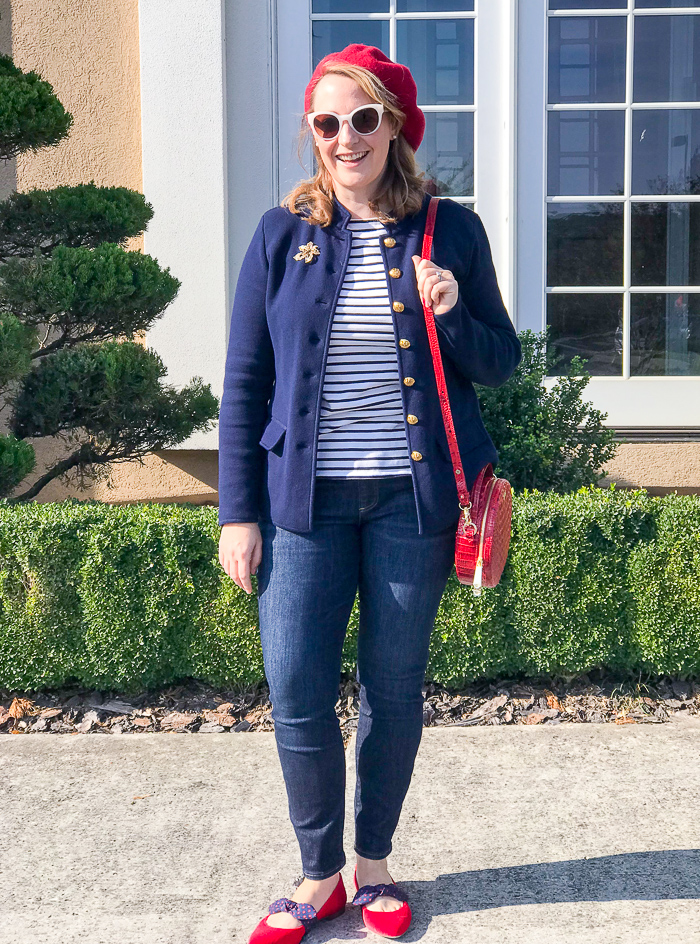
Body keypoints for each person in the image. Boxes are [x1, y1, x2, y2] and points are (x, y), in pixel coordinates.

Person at [218, 43, 521, 944]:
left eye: (362, 119)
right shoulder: (282, 235)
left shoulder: (449, 229)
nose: (345, 139)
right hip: (302, 504)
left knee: (393, 686)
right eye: (326, 123)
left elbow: (499, 363)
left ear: (395, 125)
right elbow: (244, 382)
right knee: (298, 682)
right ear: (312, 135)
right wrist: (239, 511)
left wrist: (453, 309)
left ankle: (375, 863)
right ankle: (319, 876)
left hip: (409, 503)